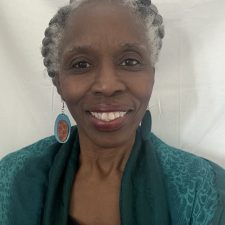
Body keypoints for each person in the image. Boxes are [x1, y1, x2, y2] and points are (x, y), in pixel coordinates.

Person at [0, 0, 224, 224]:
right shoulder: (10, 179)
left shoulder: (204, 188)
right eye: (81, 65)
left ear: (151, 76)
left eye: (130, 61)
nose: (107, 86)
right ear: (59, 82)